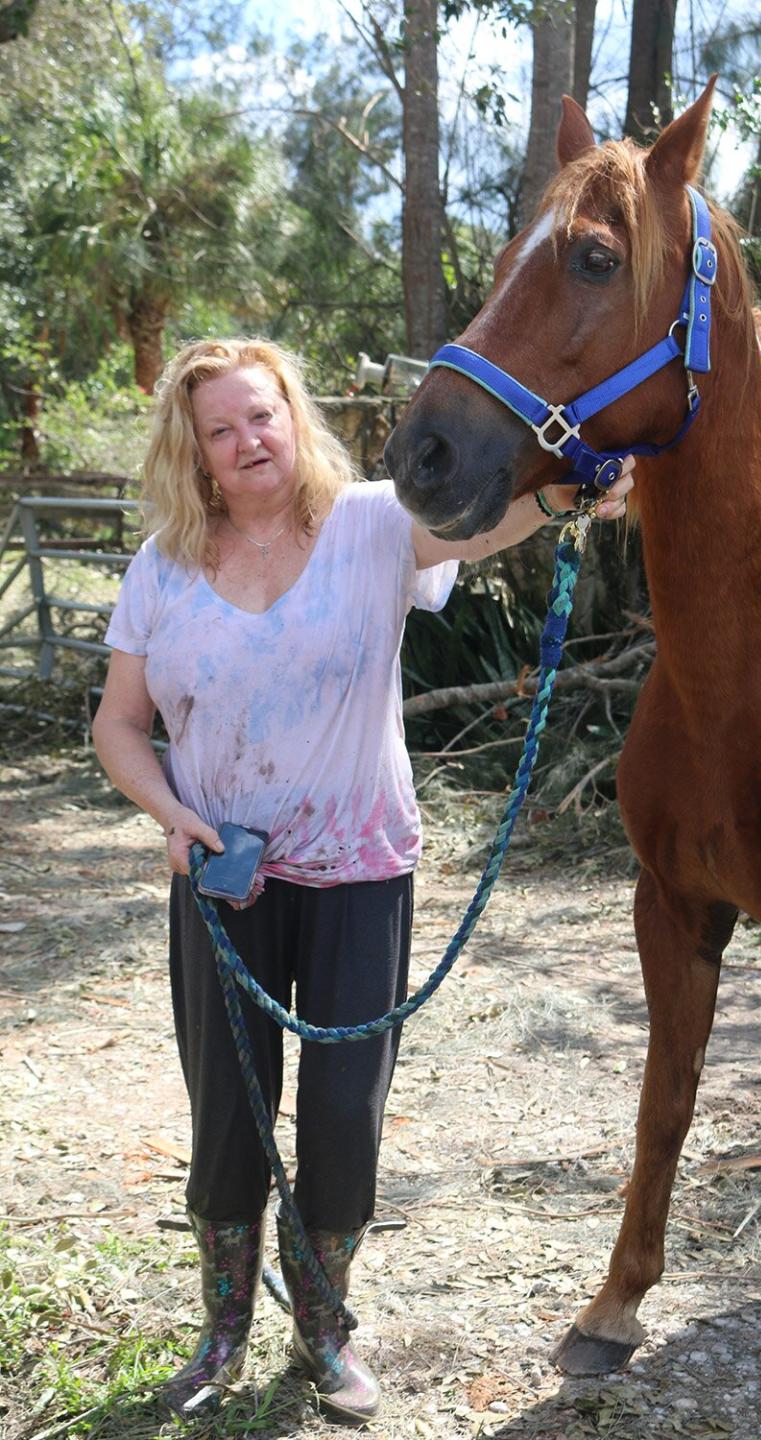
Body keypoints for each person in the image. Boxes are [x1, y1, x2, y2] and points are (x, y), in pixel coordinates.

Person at [92, 337, 633, 1423]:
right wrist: (176, 819)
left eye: (263, 415)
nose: (249, 439)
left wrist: (577, 489)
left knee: (343, 1116)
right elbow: (119, 725)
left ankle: (326, 1337)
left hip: (360, 873)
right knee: (228, 1119)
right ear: (193, 453)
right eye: (222, 427)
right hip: (222, 882)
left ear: (294, 418)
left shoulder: (377, 524)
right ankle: (222, 1334)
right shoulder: (164, 564)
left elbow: (495, 519)